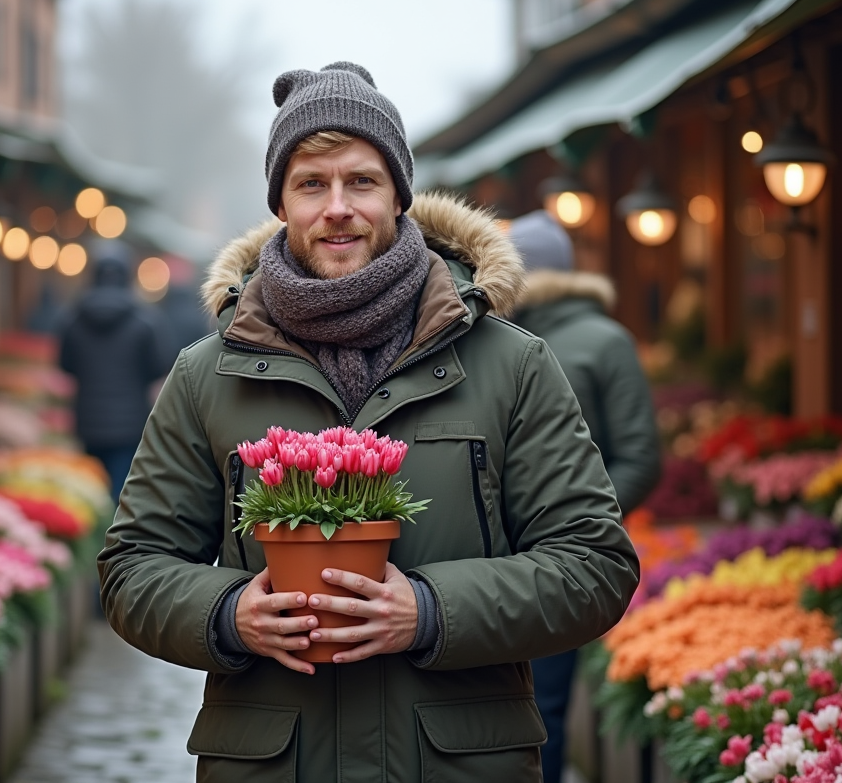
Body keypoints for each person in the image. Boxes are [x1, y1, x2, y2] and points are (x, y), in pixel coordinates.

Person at [99, 61, 639, 782]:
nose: (337, 208)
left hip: (454, 761)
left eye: (361, 181)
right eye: (311, 184)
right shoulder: (208, 374)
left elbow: (595, 564)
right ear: (282, 203)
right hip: (274, 761)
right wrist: (228, 614)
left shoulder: (510, 364)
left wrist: (431, 610)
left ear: (398, 197)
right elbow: (132, 566)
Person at [510, 208, 663, 783]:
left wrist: (573, 529)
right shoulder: (484, 337)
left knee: (541, 714)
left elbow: (640, 457)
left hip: (556, 567)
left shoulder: (603, 342)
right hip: (477, 567)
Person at [59, 251, 167, 501]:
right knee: (122, 491)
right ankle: (117, 537)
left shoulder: (74, 319)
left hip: (87, 420)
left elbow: (65, 365)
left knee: (91, 490)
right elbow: (157, 367)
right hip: (130, 422)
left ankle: (96, 534)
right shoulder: (144, 321)